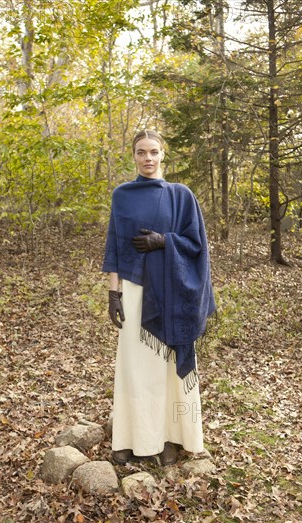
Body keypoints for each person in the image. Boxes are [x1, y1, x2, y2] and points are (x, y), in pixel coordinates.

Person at [102, 129, 215, 466]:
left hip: (172, 292)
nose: (147, 158)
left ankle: (173, 437)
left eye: (153, 152)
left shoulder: (181, 196)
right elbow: (114, 246)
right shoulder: (122, 195)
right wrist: (113, 292)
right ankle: (131, 438)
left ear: (162, 154)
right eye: (140, 152)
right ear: (133, 155)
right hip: (136, 292)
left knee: (167, 368)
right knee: (134, 367)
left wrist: (165, 241)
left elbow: (196, 245)